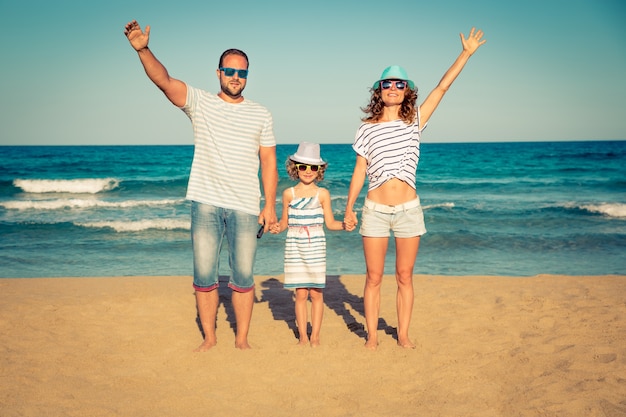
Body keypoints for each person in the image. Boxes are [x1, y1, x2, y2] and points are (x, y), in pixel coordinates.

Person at [123, 20, 278, 351]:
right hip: (205, 202)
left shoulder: (261, 114)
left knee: (244, 277)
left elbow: (268, 162)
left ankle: (241, 340)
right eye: (230, 71)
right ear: (219, 72)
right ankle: (209, 338)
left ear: (247, 76)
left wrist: (269, 205)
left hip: (246, 206)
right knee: (205, 275)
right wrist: (143, 49)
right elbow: (163, 81)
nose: (236, 77)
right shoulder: (200, 102)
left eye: (242, 72)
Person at [343, 28, 486, 350]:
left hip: (408, 210)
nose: (393, 88)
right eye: (387, 83)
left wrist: (466, 53)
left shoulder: (415, 121)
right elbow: (359, 171)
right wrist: (350, 208)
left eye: (400, 83)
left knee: (405, 276)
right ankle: (372, 336)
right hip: (375, 211)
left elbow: (443, 87)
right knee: (374, 277)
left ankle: (403, 334)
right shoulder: (365, 129)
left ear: (407, 91)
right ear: (378, 91)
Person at [270, 142, 345, 347]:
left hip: (316, 247)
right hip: (295, 247)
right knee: (300, 293)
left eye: (313, 167)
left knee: (316, 293)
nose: (308, 171)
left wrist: (345, 225)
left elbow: (330, 223)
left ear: (319, 170)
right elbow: (284, 223)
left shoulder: (323, 194)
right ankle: (303, 336)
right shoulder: (288, 194)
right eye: (303, 166)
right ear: (295, 168)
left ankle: (316, 336)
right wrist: (277, 227)